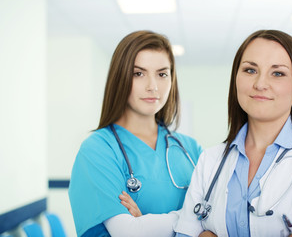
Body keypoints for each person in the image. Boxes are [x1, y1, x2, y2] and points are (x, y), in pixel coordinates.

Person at [174, 30, 292, 236]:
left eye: (277, 73)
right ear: (236, 79)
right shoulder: (210, 160)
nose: (260, 84)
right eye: (250, 70)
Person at [68, 30, 202, 237]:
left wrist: (147, 225)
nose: (153, 86)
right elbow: (128, 233)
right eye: (138, 73)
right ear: (119, 78)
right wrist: (192, 219)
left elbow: (219, 220)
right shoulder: (98, 150)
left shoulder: (191, 149)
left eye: (162, 74)